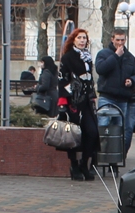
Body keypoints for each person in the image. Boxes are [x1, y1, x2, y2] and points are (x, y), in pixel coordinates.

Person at [95, 28, 135, 169]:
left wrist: (132, 81)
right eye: (118, 40)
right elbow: (100, 69)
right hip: (107, 97)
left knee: (121, 130)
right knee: (103, 127)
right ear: (112, 39)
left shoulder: (129, 57)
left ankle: (116, 158)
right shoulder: (104, 54)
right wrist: (116, 56)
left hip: (123, 99)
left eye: (123, 40)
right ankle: (99, 155)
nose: (120, 43)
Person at [58, 28, 100, 181]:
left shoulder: (87, 57)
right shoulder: (68, 57)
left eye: (84, 38)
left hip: (87, 102)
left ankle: (84, 164)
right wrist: (63, 102)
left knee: (92, 132)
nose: (82, 40)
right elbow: (62, 80)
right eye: (79, 38)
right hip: (72, 102)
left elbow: (89, 80)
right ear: (73, 40)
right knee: (74, 134)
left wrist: (92, 96)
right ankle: (74, 165)